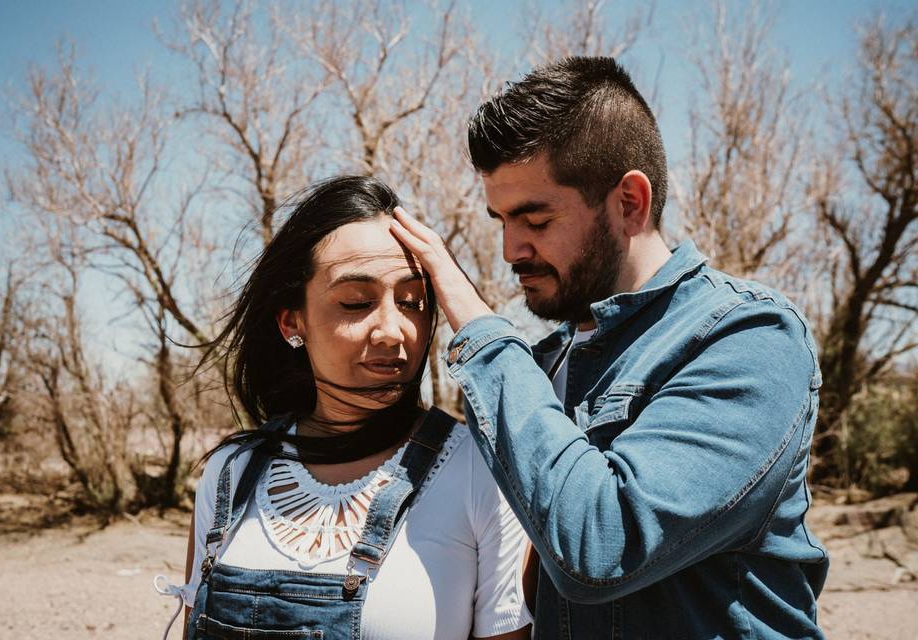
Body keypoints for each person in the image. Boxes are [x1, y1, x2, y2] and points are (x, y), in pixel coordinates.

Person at [390, 56, 829, 638]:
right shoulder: (541, 368)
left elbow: (602, 544)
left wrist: (479, 329)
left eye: (535, 220)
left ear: (629, 202)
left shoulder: (750, 337)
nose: (509, 250)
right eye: (500, 220)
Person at [165, 176, 532, 640]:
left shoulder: (479, 472)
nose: (393, 331)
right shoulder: (230, 474)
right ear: (291, 320)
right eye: (356, 302)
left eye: (413, 302)